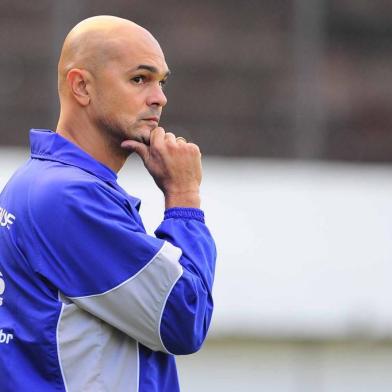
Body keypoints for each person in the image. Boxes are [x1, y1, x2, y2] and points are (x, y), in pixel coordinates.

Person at [0, 15, 216, 392]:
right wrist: (184, 199)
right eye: (139, 79)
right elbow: (184, 317)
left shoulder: (41, 182)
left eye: (161, 82)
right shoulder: (68, 198)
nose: (159, 97)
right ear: (81, 86)